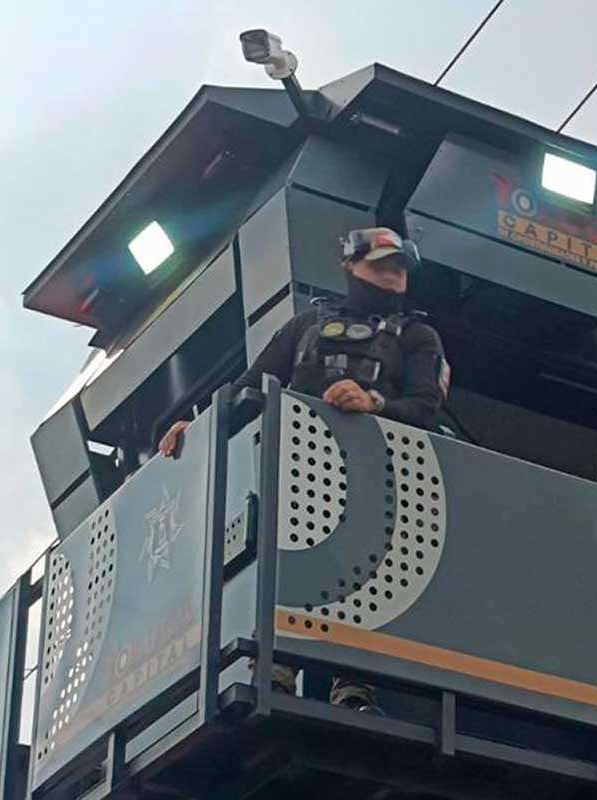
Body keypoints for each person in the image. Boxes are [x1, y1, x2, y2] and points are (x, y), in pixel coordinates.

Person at [158, 226, 448, 712]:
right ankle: (276, 670)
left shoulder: (418, 336)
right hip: (299, 472)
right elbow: (249, 387)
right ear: (350, 265)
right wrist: (199, 423)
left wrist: (373, 404)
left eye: (399, 265)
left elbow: (425, 406)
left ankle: (353, 687)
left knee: (361, 578)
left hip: (378, 478)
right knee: (289, 567)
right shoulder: (306, 325)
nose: (392, 273)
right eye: (381, 263)